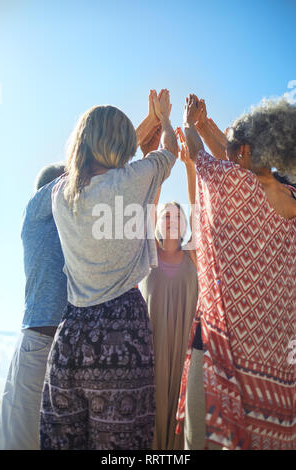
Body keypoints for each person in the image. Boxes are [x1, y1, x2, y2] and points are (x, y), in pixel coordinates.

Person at [40, 90, 178, 450]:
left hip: (70, 337)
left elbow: (107, 153)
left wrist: (138, 124)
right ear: (122, 145)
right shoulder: (131, 180)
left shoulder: (61, 193)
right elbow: (170, 150)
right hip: (122, 333)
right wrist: (162, 119)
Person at [176, 94, 296, 450]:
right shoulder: (290, 197)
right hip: (276, 363)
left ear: (242, 152)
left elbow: (199, 155)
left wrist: (188, 123)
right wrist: (208, 128)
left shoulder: (229, 183)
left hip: (221, 351)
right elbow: (240, 158)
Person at [0, 163, 67, 450]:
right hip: (38, 342)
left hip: (62, 348)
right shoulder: (35, 210)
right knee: (19, 440)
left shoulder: (72, 227)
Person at [139, 127, 198, 450]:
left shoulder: (194, 257)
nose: (172, 219)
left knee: (182, 419)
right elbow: (148, 204)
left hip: (187, 351)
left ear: (186, 224)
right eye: (166, 216)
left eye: (178, 216)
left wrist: (189, 165)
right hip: (151, 350)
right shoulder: (147, 254)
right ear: (158, 224)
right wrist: (163, 166)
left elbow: (198, 206)